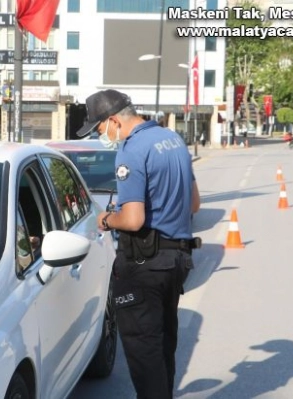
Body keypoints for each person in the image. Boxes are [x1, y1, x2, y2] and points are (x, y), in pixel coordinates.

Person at [75, 89, 201, 399]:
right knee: (162, 348)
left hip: (144, 265)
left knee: (145, 356)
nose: (102, 135)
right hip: (176, 261)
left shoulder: (131, 151)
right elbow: (194, 204)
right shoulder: (173, 139)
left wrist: (106, 219)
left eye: (100, 128)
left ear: (114, 120)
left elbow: (132, 220)